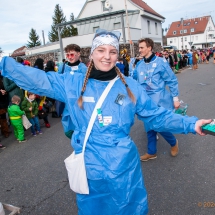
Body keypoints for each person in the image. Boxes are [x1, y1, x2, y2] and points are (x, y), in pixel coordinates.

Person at [0, 29, 211, 215]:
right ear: (92, 53)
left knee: (129, 208)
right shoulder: (72, 84)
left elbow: (158, 115)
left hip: (123, 167)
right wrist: (3, 63)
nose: (107, 56)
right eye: (101, 50)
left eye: (112, 51)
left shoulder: (130, 87)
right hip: (89, 168)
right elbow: (36, 79)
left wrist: (191, 124)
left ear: (117, 54)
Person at [132, 38, 183, 161]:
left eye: (141, 47)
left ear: (149, 48)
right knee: (149, 126)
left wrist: (175, 98)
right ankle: (152, 152)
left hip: (160, 102)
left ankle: (173, 142)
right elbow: (133, 80)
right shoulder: (139, 65)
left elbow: (171, 80)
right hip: (145, 102)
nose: (139, 50)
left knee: (159, 126)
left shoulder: (161, 63)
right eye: (139, 48)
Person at [58, 44, 87, 138]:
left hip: (82, 102)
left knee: (83, 127)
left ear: (78, 54)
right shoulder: (62, 67)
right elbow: (58, 83)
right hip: (68, 102)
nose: (69, 57)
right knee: (68, 129)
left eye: (72, 54)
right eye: (67, 55)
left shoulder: (84, 69)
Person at [0, 72, 10, 140]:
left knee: (3, 117)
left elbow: (5, 87)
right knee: (2, 118)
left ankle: (5, 131)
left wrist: (4, 91)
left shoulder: (2, 78)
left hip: (2, 101)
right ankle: (5, 131)